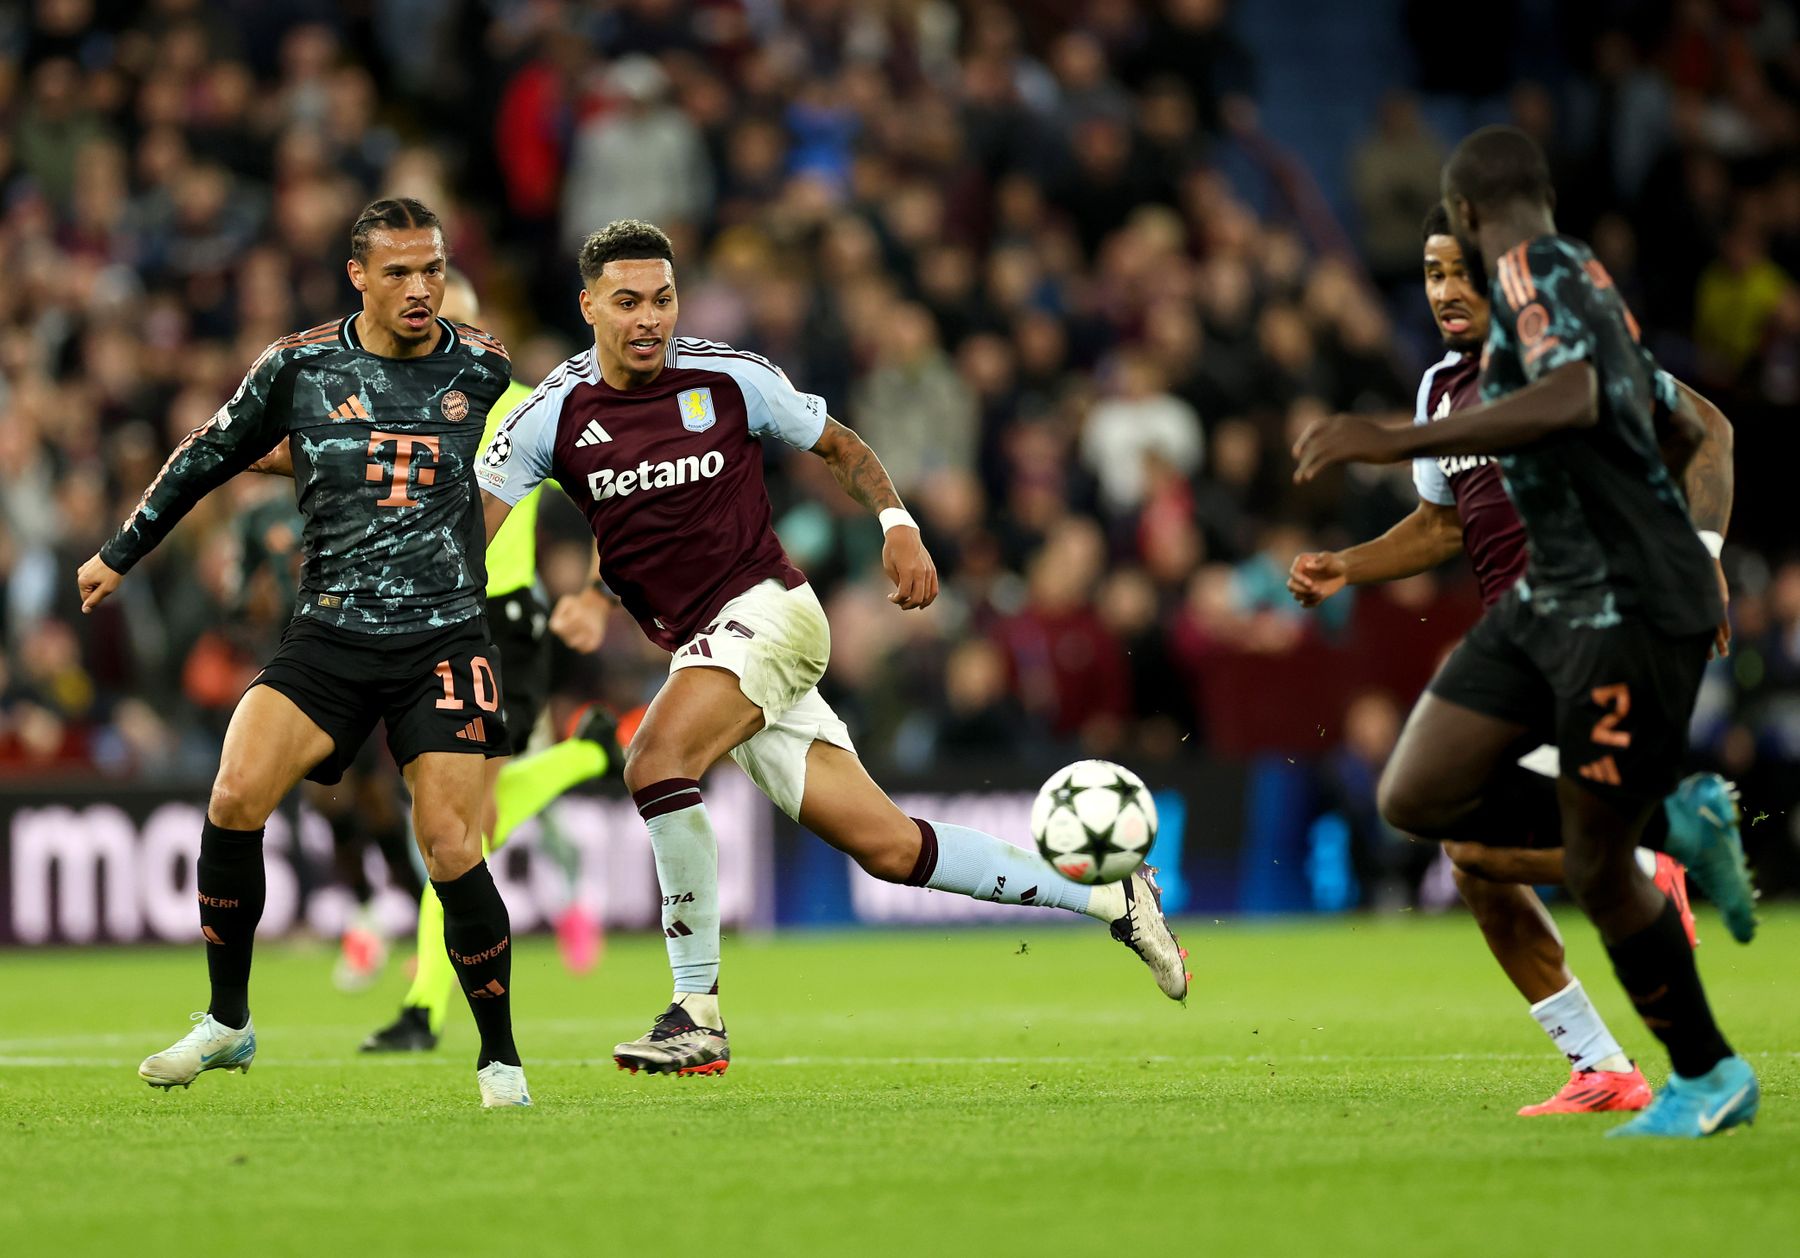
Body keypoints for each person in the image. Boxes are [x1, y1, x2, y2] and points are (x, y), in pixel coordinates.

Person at [476, 219, 1189, 1077]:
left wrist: (898, 523)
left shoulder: (729, 377)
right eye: (627, 302)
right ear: (588, 305)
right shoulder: (550, 414)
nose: (649, 319)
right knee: (891, 849)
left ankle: (695, 1010)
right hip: (705, 645)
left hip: (770, 611)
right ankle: (1113, 895)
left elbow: (841, 446)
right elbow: (473, 527)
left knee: (654, 760)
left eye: (662, 298)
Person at [1293, 126, 1759, 1138]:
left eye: (1459, 269)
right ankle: (1605, 1056)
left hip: (1603, 618)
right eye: (1428, 276)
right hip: (1523, 628)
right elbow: (1443, 523)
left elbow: (1704, 429)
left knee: (1482, 840)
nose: (1445, 291)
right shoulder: (1440, 384)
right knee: (1453, 838)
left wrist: (1710, 552)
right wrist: (1347, 565)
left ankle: (1652, 873)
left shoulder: (1571, 324)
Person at [77, 198, 532, 1108]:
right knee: (235, 792)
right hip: (327, 634)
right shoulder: (298, 365)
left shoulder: (483, 367)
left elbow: (547, 459)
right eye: (398, 272)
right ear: (357, 275)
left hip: (442, 634)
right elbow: (210, 453)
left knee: (448, 842)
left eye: (432, 269)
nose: (420, 289)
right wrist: (120, 552)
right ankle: (229, 1023)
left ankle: (499, 1059)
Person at [359, 271, 618, 1052]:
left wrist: (597, 593)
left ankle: (423, 1011)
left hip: (504, 631)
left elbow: (615, 491)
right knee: (461, 826)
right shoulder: (403, 404)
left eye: (456, 318)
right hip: (431, 627)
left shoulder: (526, 402)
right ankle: (585, 756)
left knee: (459, 826)